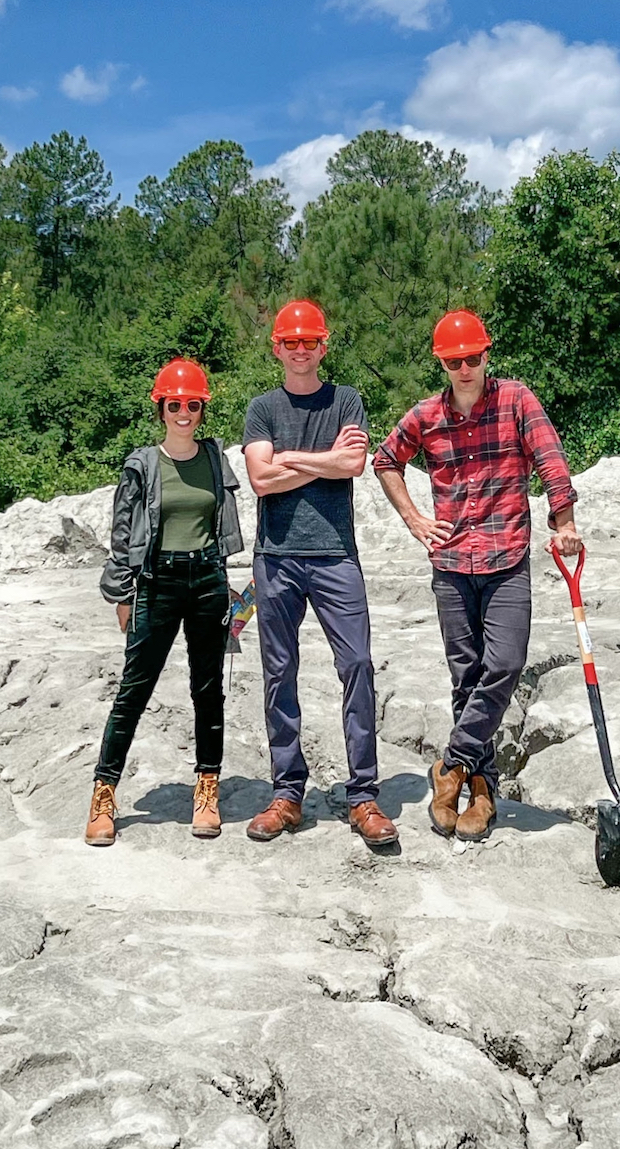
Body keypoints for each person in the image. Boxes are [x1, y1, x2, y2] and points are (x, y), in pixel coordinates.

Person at [372, 310, 582, 842]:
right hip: (450, 565)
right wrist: (415, 519)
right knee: (465, 680)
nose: (464, 367)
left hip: (507, 559)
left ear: (487, 356)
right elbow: (385, 460)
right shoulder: (426, 415)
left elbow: (551, 462)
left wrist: (565, 523)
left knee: (505, 665)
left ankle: (451, 765)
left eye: (473, 357)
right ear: (441, 362)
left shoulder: (517, 400)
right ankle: (483, 794)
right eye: (453, 360)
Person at [241, 299, 398, 847]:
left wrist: (290, 459)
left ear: (323, 346)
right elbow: (260, 481)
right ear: (277, 347)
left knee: (356, 664)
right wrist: (321, 459)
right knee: (278, 673)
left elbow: (353, 465)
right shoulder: (261, 408)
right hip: (276, 556)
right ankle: (287, 794)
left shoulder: (346, 399)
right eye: (291, 342)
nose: (301, 349)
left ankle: (363, 797)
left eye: (310, 342)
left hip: (336, 555)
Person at [90, 358, 245, 846]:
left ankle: (207, 788)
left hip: (207, 580)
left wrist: (231, 584)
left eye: (193, 404)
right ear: (161, 408)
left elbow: (221, 524)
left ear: (203, 410)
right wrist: (120, 592)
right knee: (133, 690)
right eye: (175, 404)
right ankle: (104, 795)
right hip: (156, 582)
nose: (184, 412)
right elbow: (121, 533)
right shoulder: (142, 464)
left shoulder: (215, 458)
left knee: (208, 689)